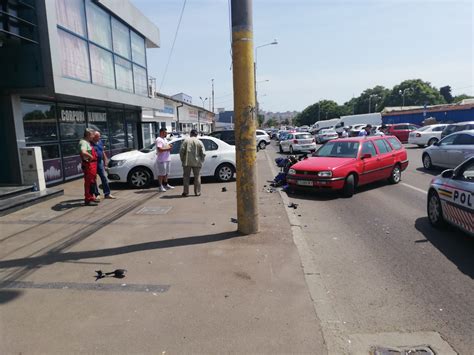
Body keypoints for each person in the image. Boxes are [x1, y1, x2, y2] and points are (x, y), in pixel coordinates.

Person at [179, 129, 206, 197]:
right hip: (197, 162)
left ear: (190, 134)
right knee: (197, 177)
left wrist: (182, 159)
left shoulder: (186, 141)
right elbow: (203, 153)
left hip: (187, 161)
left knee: (186, 177)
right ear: (196, 135)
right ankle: (197, 192)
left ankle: (186, 192)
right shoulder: (199, 142)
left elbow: (181, 151)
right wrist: (201, 161)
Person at [92, 131, 116, 200]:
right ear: (94, 137)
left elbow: (102, 151)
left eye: (99, 136)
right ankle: (96, 194)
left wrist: (105, 160)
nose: (99, 137)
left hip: (100, 162)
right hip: (93, 163)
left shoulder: (100, 142)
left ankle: (107, 194)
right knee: (94, 179)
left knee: (104, 177)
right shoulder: (90, 144)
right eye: (98, 136)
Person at [78, 128, 98, 206]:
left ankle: (91, 197)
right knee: (89, 182)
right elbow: (83, 152)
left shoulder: (87, 142)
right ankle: (88, 199)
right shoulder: (83, 142)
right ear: (88, 135)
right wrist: (91, 156)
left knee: (92, 181)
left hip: (92, 165)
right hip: (88, 165)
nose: (93, 137)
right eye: (92, 135)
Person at [155, 128, 174, 192]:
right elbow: (159, 149)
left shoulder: (165, 139)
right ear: (161, 132)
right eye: (165, 132)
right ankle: (160, 186)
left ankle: (166, 184)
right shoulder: (159, 139)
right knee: (161, 174)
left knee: (166, 173)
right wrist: (168, 149)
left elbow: (165, 146)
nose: (166, 133)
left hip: (167, 158)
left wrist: (169, 146)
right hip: (162, 160)